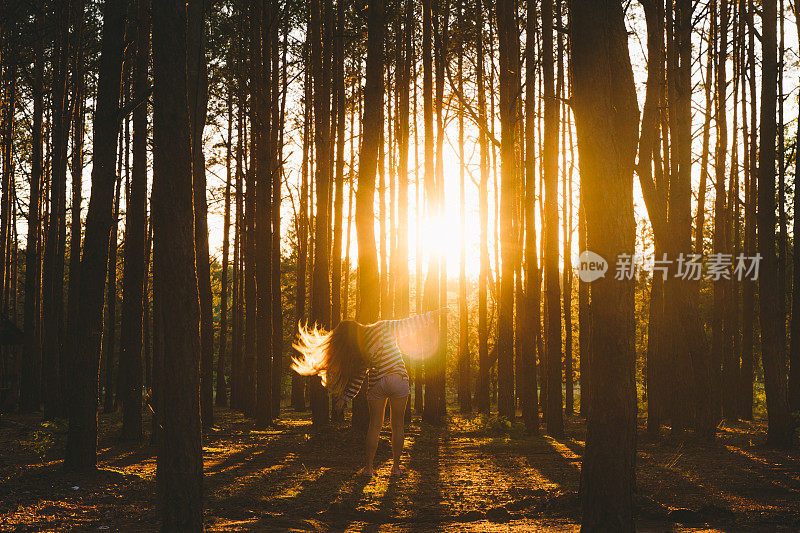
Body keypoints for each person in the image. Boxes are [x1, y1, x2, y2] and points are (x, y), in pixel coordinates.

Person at [291, 308, 449, 477]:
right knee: (397, 425)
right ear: (357, 326)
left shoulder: (360, 348)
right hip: (398, 378)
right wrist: (434, 314)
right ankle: (396, 469)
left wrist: (345, 398)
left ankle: (368, 468)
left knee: (374, 425)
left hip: (378, 383)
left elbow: (358, 379)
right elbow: (408, 324)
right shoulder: (383, 327)